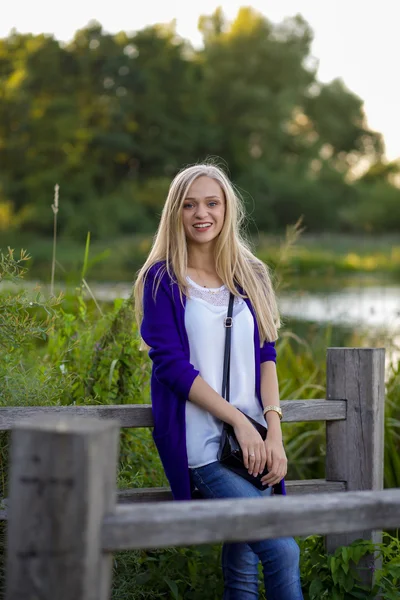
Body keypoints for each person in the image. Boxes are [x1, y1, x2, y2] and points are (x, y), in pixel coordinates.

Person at [134, 163, 303, 600]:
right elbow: (170, 366)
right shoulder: (163, 279)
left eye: (212, 202)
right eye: (188, 205)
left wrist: (274, 434)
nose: (200, 213)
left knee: (245, 561)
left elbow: (267, 356)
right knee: (281, 550)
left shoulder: (253, 275)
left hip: (256, 441)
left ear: (229, 209)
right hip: (203, 444)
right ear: (175, 213)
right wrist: (239, 422)